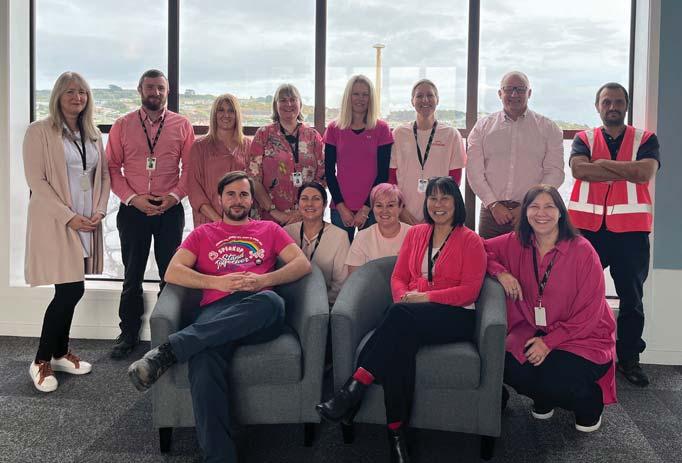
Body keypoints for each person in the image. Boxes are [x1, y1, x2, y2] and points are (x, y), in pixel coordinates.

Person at [127, 171, 311, 462]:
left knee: (272, 301)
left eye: (244, 194)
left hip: (259, 310)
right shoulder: (203, 234)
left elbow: (302, 265)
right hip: (216, 312)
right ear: (220, 199)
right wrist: (217, 283)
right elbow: (172, 272)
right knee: (202, 360)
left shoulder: (269, 229)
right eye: (231, 194)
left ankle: (170, 350)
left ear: (252, 200)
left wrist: (264, 280)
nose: (237, 200)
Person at [317, 177, 486, 463]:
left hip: (457, 316)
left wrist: (425, 297)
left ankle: (354, 388)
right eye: (432, 198)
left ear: (456, 202)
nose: (438, 204)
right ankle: (397, 437)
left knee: (397, 318)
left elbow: (469, 291)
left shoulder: (471, 240)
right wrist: (403, 298)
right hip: (413, 314)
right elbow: (398, 277)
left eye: (445, 198)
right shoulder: (417, 233)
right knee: (398, 350)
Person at [485, 184, 616, 432]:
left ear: (560, 212)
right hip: (535, 327)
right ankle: (544, 396)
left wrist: (548, 342)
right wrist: (500, 272)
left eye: (549, 206)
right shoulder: (516, 242)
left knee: (555, 377)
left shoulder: (583, 251)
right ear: (525, 212)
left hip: (584, 336)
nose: (541, 213)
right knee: (504, 363)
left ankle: (590, 401)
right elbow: (476, 247)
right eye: (534, 206)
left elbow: (590, 314)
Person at [23, 71, 110, 392]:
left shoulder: (93, 133)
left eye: (82, 92)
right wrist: (69, 217)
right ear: (58, 96)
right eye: (70, 91)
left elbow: (103, 176)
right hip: (57, 222)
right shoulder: (39, 131)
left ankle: (59, 353)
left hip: (87, 221)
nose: (77, 97)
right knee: (70, 290)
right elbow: (37, 182)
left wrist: (100, 210)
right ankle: (41, 360)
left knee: (72, 287)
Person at [568, 82, 660, 387]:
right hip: (588, 230)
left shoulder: (646, 139)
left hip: (631, 233)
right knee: (580, 296)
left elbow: (644, 173)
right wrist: (624, 169)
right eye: (606, 102)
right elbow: (580, 171)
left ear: (626, 106)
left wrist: (603, 164)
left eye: (618, 102)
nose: (612, 107)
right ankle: (578, 352)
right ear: (598, 106)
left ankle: (629, 359)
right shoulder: (584, 138)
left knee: (632, 299)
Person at [106, 69, 195, 359]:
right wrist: (134, 199)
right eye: (149, 87)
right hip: (133, 209)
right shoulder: (122, 125)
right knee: (132, 275)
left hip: (169, 209)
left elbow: (190, 169)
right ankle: (128, 333)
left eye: (160, 88)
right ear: (140, 90)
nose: (155, 92)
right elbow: (112, 168)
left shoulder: (182, 125)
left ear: (167, 92)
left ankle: (166, 332)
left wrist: (173, 197)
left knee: (170, 274)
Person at [467, 71, 564, 239]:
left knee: (532, 256)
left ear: (529, 93)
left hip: (533, 213)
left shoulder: (549, 128)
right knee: (488, 256)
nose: (514, 94)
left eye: (520, 89)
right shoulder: (482, 127)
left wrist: (529, 205)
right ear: (500, 93)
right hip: (491, 213)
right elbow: (474, 171)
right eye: (508, 89)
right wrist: (493, 204)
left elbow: (555, 172)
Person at [324, 75, 394, 242]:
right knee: (340, 256)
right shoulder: (334, 128)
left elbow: (382, 174)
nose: (360, 99)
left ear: (371, 98)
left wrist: (366, 208)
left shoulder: (382, 128)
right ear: (348, 97)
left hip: (373, 208)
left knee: (370, 255)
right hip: (340, 208)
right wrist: (341, 206)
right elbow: (329, 172)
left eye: (365, 94)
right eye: (356, 94)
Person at [389, 79, 466, 224]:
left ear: (437, 100)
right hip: (403, 214)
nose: (425, 100)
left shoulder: (451, 134)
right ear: (412, 101)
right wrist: (400, 209)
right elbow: (391, 177)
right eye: (419, 96)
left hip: (439, 214)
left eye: (430, 95)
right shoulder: (399, 133)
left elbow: (455, 181)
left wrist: (434, 214)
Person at [248, 83, 324, 224]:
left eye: (293, 99)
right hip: (270, 217)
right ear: (275, 105)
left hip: (307, 216)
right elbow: (253, 178)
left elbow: (322, 176)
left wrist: (303, 211)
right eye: (283, 100)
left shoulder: (313, 136)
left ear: (300, 104)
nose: (288, 104)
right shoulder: (263, 135)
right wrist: (274, 212)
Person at [189, 93, 251, 226]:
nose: (226, 115)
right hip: (208, 222)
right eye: (221, 110)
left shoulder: (249, 146)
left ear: (237, 115)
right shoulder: (199, 147)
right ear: (214, 114)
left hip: (241, 222)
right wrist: (219, 222)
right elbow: (194, 190)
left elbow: (253, 187)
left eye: (231, 111)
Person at [284, 181, 350, 305]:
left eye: (316, 199)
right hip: (289, 301)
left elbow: (341, 283)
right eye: (304, 199)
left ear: (325, 204)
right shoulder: (286, 232)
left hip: (324, 304)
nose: (310, 204)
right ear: (298, 204)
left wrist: (320, 303)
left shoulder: (339, 236)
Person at [346, 183, 411, 274]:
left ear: (400, 208)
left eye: (390, 205)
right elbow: (355, 276)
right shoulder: (362, 236)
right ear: (373, 208)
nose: (384, 211)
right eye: (379, 205)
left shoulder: (414, 234)